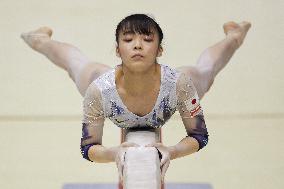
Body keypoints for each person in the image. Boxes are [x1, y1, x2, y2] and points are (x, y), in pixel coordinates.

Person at [21, 14, 251, 183]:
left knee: (204, 72)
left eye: (147, 40)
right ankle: (39, 39)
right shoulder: (99, 90)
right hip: (110, 91)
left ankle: (235, 35)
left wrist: (173, 150)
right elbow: (88, 147)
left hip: (170, 92)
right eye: (128, 39)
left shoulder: (179, 85)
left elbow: (199, 136)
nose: (138, 45)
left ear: (160, 49)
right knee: (78, 66)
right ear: (117, 50)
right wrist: (112, 153)